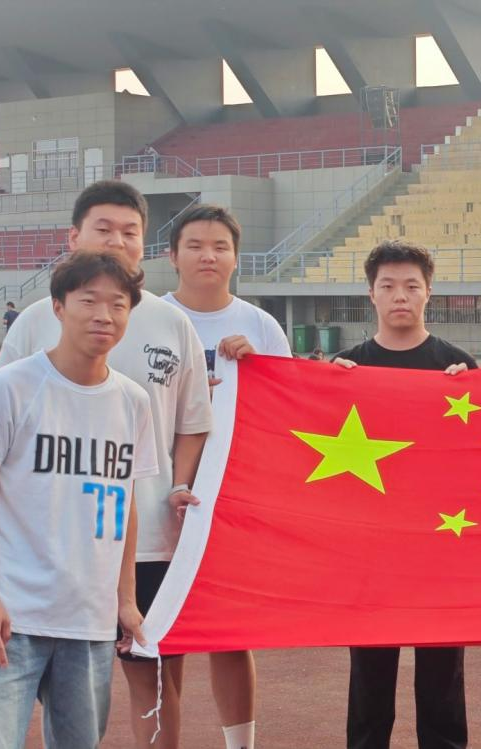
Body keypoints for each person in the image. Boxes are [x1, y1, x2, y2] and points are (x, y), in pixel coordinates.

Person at [0, 180, 212, 748]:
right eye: (103, 229)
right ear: (74, 237)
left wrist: (179, 483)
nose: (117, 241)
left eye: (130, 232)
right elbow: (0, 432)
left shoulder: (172, 323)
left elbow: (193, 420)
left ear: (144, 243)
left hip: (148, 538)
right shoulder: (36, 321)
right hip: (50, 545)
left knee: (155, 681)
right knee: (46, 683)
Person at [0, 252, 157, 747]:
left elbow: (123, 504)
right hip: (10, 614)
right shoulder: (11, 386)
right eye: (89, 301)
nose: (104, 315)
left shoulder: (133, 402)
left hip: (88, 619)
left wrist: (125, 600)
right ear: (58, 307)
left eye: (118, 304)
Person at [332, 240, 476, 749]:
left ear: (428, 293)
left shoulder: (457, 366)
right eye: (388, 286)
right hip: (371, 546)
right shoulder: (345, 368)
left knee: (443, 674)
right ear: (370, 294)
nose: (400, 296)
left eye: (411, 286)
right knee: (369, 674)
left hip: (441, 540)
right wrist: (327, 389)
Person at [164, 205, 290, 749]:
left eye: (220, 246)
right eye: (194, 245)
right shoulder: (149, 319)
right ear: (172, 256)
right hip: (158, 487)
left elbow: (289, 411)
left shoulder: (260, 325)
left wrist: (257, 369)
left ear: (237, 258)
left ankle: (241, 744)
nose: (208, 256)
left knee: (229, 631)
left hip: (233, 494)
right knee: (160, 629)